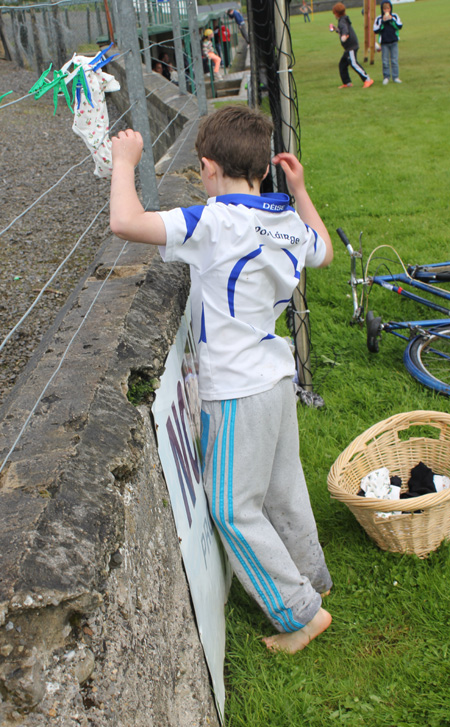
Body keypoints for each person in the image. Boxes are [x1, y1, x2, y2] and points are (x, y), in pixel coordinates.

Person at [109, 105, 333, 654]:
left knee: (232, 507)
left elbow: (125, 222)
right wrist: (300, 190)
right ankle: (313, 578)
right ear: (264, 169)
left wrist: (124, 160)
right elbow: (322, 251)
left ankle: (299, 613)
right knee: (283, 489)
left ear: (208, 168)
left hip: (236, 391)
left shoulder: (212, 221)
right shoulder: (283, 219)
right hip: (277, 379)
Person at [331, 2, 374, 89]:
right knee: (342, 64)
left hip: (351, 46)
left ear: (336, 13)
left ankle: (367, 79)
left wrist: (344, 36)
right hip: (349, 47)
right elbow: (342, 29)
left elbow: (345, 30)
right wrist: (336, 29)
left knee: (354, 64)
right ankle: (347, 83)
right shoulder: (343, 19)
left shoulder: (342, 21)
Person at [373, 1, 403, 84]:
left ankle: (395, 77)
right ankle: (386, 77)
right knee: (385, 61)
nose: (386, 10)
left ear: (390, 9)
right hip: (384, 42)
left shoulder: (395, 16)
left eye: (388, 8)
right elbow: (375, 30)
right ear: (382, 9)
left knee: (394, 60)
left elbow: (399, 26)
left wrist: (391, 20)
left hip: (394, 41)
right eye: (385, 9)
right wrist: (383, 22)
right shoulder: (379, 18)